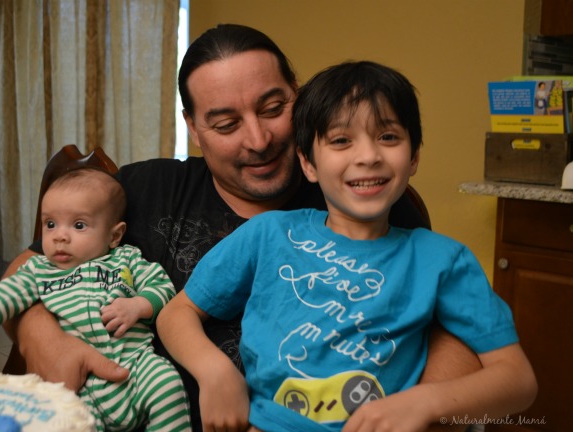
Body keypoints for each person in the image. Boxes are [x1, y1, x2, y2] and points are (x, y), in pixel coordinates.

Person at [4, 24, 483, 432]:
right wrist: (43, 339)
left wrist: (411, 413)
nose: (258, 139)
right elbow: (27, 268)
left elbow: (455, 340)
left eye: (273, 108)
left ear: (298, 94)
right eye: (226, 124)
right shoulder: (143, 188)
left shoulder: (362, 198)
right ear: (194, 128)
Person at [157, 60, 538, 432]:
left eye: (388, 137)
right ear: (308, 163)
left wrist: (424, 402)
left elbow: (518, 381)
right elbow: (178, 313)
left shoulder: (443, 260)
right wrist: (216, 373)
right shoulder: (268, 233)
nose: (368, 157)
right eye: (341, 141)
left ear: (414, 156)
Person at [0, 168, 191, 432]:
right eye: (50, 224)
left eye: (79, 225)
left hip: (135, 367)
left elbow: (162, 286)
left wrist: (138, 305)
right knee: (66, 422)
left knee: (166, 383)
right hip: (79, 385)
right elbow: (7, 292)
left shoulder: (127, 259)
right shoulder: (38, 271)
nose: (60, 236)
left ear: (114, 236)